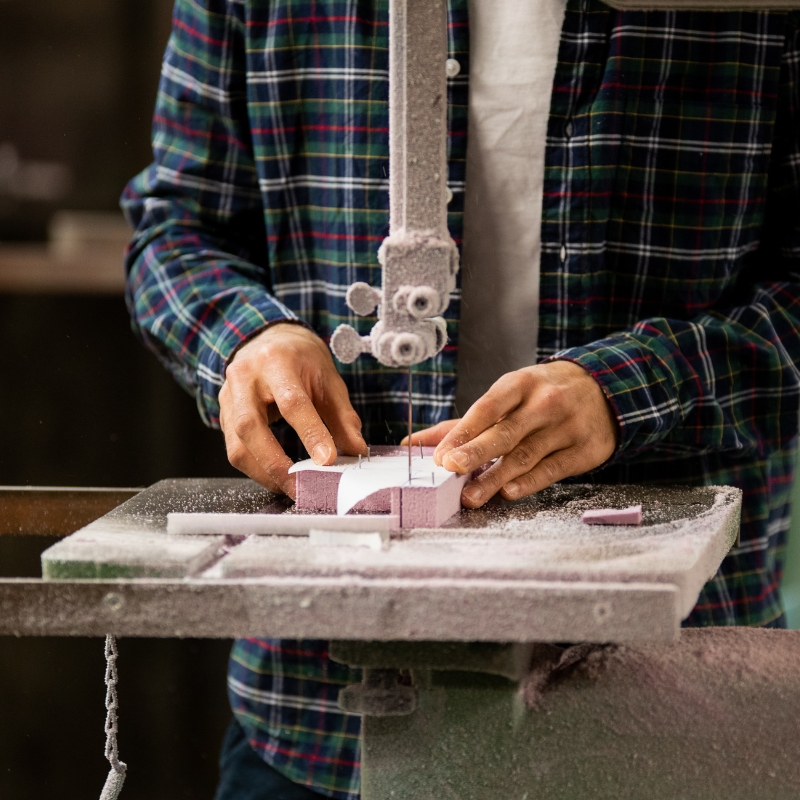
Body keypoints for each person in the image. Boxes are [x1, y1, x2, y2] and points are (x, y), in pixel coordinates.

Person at [122, 0, 800, 797]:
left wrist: (633, 391)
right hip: (319, 710)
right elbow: (177, 226)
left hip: (672, 688)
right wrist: (244, 338)